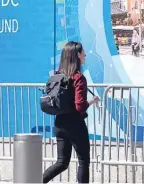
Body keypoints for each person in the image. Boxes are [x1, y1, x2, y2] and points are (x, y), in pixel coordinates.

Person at [42, 41, 100, 183]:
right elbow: (80, 106)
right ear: (77, 55)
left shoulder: (58, 76)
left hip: (59, 123)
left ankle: (36, 181)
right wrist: (92, 101)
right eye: (83, 53)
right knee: (83, 161)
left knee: (61, 162)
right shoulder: (78, 78)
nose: (85, 55)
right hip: (75, 125)